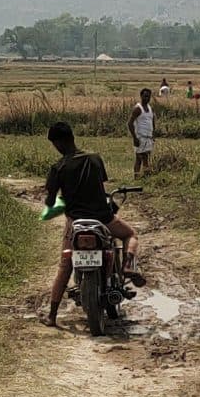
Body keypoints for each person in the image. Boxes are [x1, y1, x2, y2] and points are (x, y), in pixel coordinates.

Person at [41, 122, 141, 327]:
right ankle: (128, 265)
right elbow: (99, 186)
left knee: (65, 265)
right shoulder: (94, 159)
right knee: (130, 234)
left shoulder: (58, 168)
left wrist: (54, 200)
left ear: (58, 143)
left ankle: (51, 315)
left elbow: (50, 201)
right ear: (72, 137)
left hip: (75, 223)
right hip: (103, 219)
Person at [129, 88, 156, 173]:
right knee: (139, 158)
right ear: (141, 96)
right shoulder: (138, 108)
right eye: (145, 96)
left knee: (147, 158)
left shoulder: (149, 107)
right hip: (140, 137)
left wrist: (153, 134)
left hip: (148, 137)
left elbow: (152, 121)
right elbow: (130, 123)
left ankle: (146, 178)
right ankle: (136, 177)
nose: (147, 98)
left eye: (148, 96)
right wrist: (134, 138)